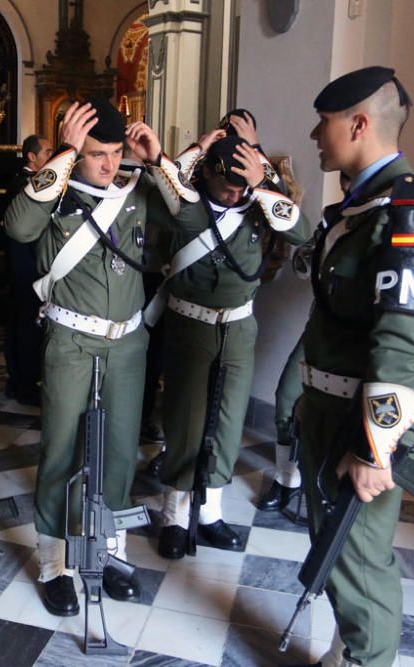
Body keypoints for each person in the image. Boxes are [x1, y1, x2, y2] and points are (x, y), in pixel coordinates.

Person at [4, 97, 193, 615]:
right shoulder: (54, 194)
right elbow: (19, 227)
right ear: (74, 153)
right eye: (95, 154)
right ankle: (56, 563)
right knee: (61, 454)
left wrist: (158, 161)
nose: (109, 164)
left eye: (114, 152)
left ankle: (111, 553)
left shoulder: (136, 192)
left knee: (117, 453)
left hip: (128, 345)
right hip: (71, 341)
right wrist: (62, 156)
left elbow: (192, 215)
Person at [296, 67, 414, 667]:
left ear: (359, 124)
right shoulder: (362, 206)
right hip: (331, 409)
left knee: (359, 564)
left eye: (325, 122)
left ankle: (366, 659)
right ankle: (345, 654)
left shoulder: (401, 215)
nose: (314, 133)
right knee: (337, 555)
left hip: (364, 422)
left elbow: (402, 347)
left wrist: (373, 448)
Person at [147, 122, 311, 557]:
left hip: (238, 329)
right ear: (208, 176)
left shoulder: (257, 205)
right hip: (191, 327)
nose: (233, 194)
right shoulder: (186, 205)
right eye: (226, 186)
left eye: (241, 186)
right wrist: (199, 148)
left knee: (227, 422)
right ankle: (175, 517)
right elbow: (165, 175)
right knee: (186, 422)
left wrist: (261, 183)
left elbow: (301, 230)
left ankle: (210, 514)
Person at [258, 172, 350, 514]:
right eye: (345, 181)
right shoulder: (334, 219)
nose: (348, 187)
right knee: (286, 398)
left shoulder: (386, 222)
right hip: (319, 329)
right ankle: (286, 480)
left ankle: (329, 488)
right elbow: (301, 266)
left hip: (359, 341)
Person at [3, 134, 52, 405]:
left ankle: (21, 380)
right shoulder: (23, 184)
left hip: (29, 265)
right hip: (26, 266)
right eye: (47, 152)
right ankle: (24, 383)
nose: (50, 157)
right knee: (26, 325)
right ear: (31, 157)